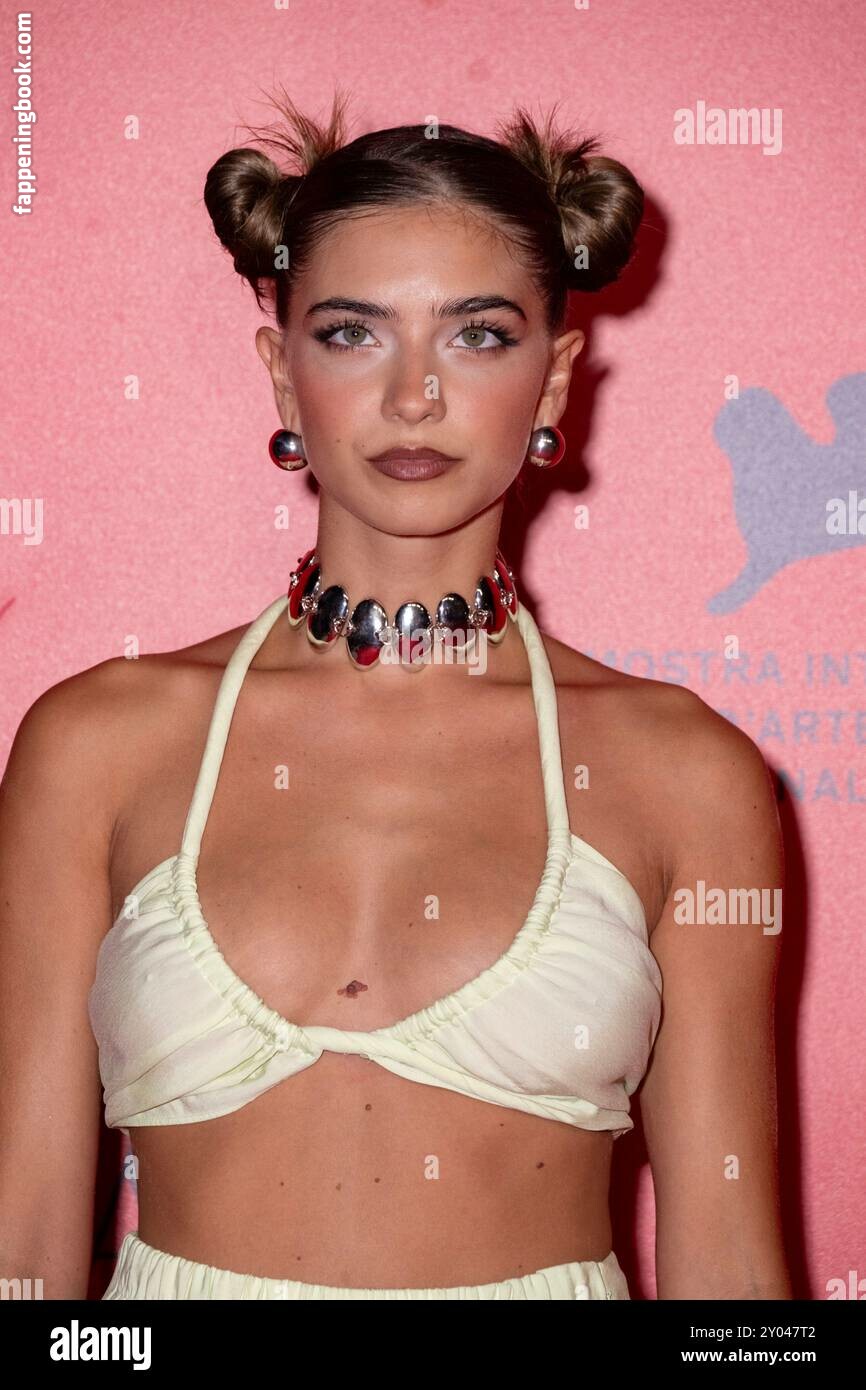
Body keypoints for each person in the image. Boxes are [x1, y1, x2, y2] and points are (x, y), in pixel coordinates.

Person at [0, 90, 791, 1300]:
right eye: (350, 333)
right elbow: (22, 1245)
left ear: (554, 378)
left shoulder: (685, 771)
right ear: (281, 370)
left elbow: (728, 1270)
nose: (413, 395)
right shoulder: (95, 742)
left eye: (476, 335)